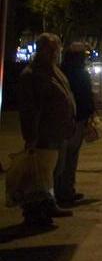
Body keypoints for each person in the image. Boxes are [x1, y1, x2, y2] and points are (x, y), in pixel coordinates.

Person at [15, 33, 76, 226]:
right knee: (39, 177)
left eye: (56, 48)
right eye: (51, 49)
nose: (55, 53)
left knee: (52, 173)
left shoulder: (52, 70)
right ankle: (34, 214)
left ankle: (48, 206)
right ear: (41, 50)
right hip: (44, 134)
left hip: (58, 132)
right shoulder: (33, 74)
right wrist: (31, 136)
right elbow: (29, 109)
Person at [57, 42, 95, 206]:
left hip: (74, 119)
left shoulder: (62, 71)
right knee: (66, 159)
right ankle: (63, 193)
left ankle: (66, 191)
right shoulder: (75, 73)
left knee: (68, 159)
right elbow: (84, 96)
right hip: (72, 120)